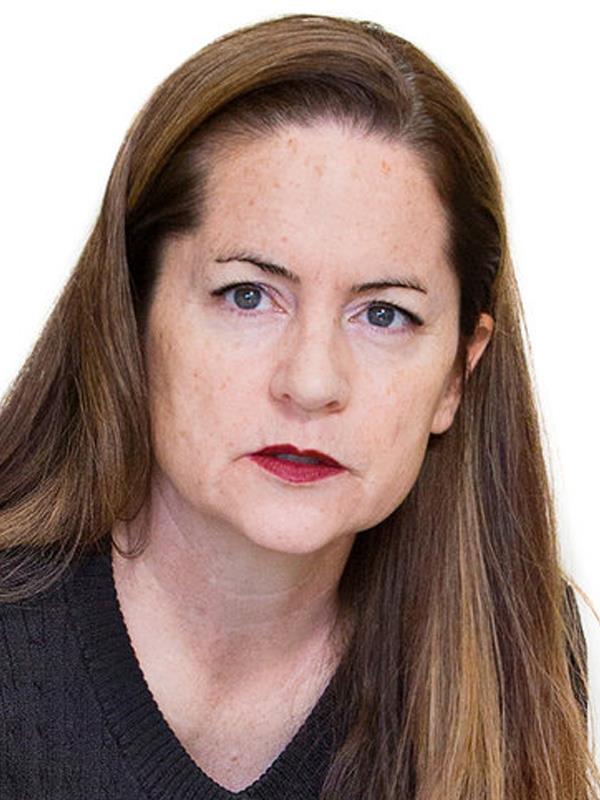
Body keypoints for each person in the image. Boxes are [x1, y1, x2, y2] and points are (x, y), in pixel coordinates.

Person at [0, 12, 595, 800]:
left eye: (384, 314)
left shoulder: (513, 646)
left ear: (457, 375)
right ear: (133, 317)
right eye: (248, 296)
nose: (312, 383)